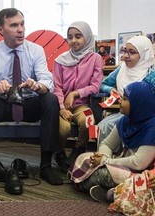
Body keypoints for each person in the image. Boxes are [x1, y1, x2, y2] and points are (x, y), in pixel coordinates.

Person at [0, 8, 61, 189]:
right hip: (2, 103)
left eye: (22, 24)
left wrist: (37, 86)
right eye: (13, 25)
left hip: (29, 103)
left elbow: (46, 80)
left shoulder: (36, 50)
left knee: (50, 99)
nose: (20, 29)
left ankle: (45, 165)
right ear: (1, 30)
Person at [69, 81, 155, 204]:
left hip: (141, 172)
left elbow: (138, 163)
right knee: (84, 158)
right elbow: (107, 144)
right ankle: (115, 192)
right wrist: (103, 157)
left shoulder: (152, 127)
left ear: (138, 104)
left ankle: (114, 193)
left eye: (125, 99)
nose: (120, 100)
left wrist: (104, 162)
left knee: (101, 173)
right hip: (122, 163)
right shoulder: (125, 121)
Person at [52, 21, 104, 173]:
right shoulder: (60, 60)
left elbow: (95, 86)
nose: (73, 40)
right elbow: (56, 87)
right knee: (63, 128)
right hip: (62, 106)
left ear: (87, 37)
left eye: (78, 36)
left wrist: (75, 93)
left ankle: (78, 150)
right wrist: (61, 108)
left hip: (82, 104)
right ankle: (60, 153)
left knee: (88, 121)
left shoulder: (95, 59)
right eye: (70, 37)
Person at [97, 35, 155, 146]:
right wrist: (110, 89)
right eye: (125, 51)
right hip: (123, 114)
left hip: (144, 118)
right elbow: (102, 84)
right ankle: (104, 159)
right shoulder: (122, 69)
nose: (126, 56)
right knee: (103, 126)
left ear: (144, 55)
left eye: (132, 52)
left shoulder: (151, 76)